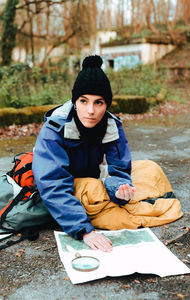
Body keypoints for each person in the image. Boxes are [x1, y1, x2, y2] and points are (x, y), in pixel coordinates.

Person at [32, 55, 136, 252]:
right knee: (103, 200)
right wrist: (85, 230)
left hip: (92, 183)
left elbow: (120, 170)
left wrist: (120, 190)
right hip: (63, 188)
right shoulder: (54, 129)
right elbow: (52, 183)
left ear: (107, 105)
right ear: (75, 102)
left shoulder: (112, 125)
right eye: (83, 101)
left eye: (99, 103)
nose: (90, 110)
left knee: (150, 169)